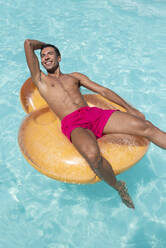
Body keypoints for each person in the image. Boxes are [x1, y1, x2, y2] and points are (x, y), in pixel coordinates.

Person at [24, 39, 166, 209]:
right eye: (43, 56)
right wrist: (45, 44)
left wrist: (129, 108)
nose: (46, 57)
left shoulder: (75, 77)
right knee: (93, 157)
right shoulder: (40, 79)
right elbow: (28, 44)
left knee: (146, 127)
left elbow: (102, 91)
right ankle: (118, 187)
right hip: (73, 124)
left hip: (93, 115)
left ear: (59, 58)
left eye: (50, 54)